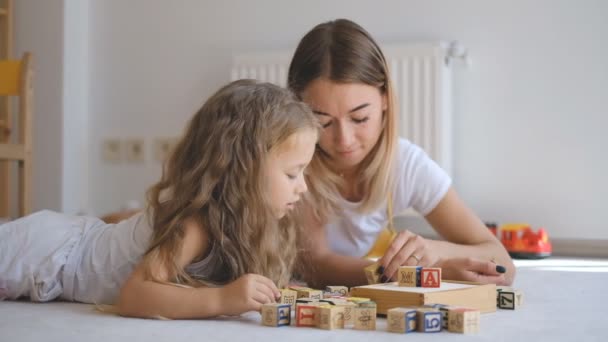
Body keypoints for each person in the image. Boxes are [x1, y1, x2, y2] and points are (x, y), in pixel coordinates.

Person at [0, 79, 319, 319]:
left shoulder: (248, 222)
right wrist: (222, 299)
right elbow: (134, 295)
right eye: (292, 174)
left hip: (78, 241)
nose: (302, 187)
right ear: (243, 172)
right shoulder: (196, 223)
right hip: (49, 253)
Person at [287, 19, 515, 288]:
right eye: (323, 122)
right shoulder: (294, 163)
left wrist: (439, 252)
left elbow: (503, 264)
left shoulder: (406, 163)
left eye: (359, 118)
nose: (344, 140)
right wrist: (425, 273)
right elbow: (318, 267)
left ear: (385, 100)